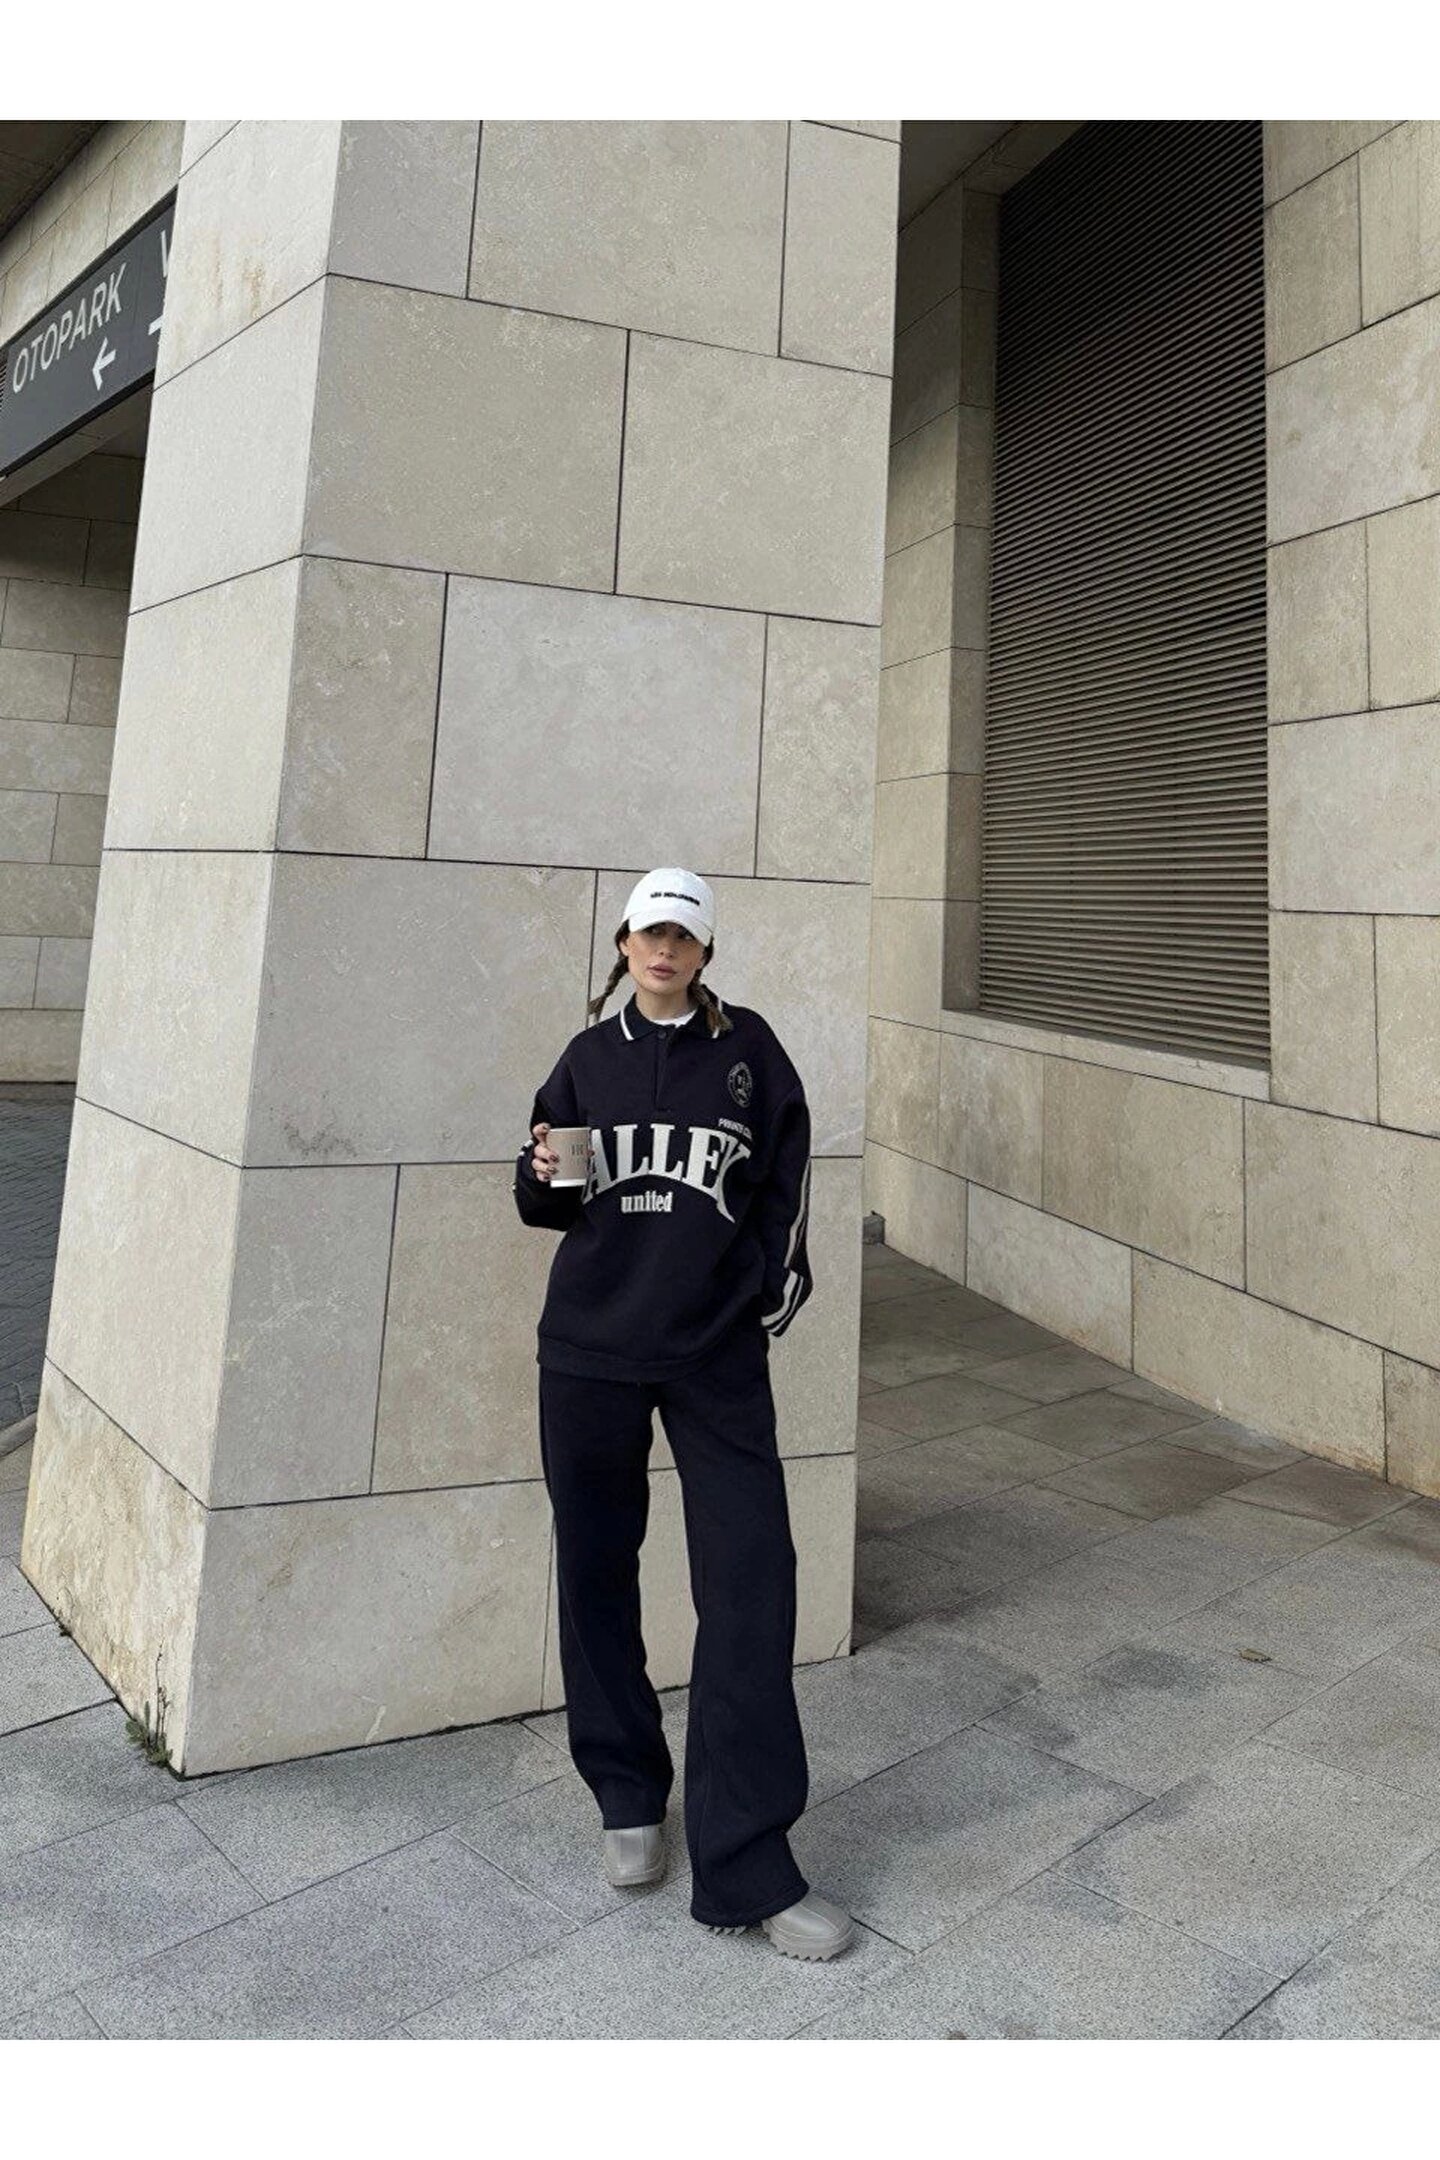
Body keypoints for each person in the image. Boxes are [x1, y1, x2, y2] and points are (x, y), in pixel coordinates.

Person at [512, 865, 854, 1962]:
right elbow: (543, 1201)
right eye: (649, 934)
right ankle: (626, 1792)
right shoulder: (586, 1058)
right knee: (595, 1573)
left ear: (705, 952)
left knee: (751, 1584)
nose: (664, 951)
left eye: (685, 937)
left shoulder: (751, 1053)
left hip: (713, 1358)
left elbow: (787, 1186)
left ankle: (748, 1862)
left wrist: (757, 1295)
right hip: (590, 1355)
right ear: (623, 944)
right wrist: (541, 1172)